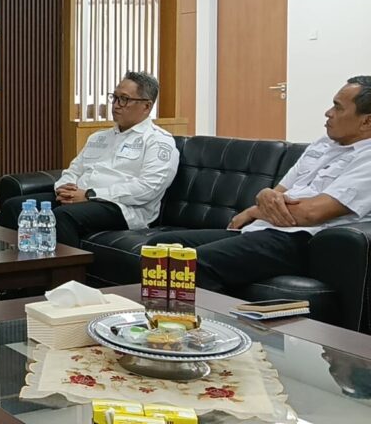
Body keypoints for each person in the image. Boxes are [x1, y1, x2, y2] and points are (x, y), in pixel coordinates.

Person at [152, 76, 371, 293]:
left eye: (338, 108)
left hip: (300, 239)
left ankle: (202, 316)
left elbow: (311, 213)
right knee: (162, 246)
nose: (328, 113)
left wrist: (256, 210)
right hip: (264, 229)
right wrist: (264, 199)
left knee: (191, 265)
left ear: (367, 121)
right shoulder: (324, 143)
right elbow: (276, 193)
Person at [0, 71, 179, 248]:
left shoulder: (158, 141)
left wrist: (90, 195)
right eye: (114, 97)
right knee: (14, 206)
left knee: (63, 215)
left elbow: (148, 188)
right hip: (79, 198)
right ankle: (19, 264)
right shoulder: (99, 137)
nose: (116, 105)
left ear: (146, 106)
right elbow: (74, 170)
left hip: (123, 208)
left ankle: (67, 268)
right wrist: (64, 188)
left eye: (124, 99)